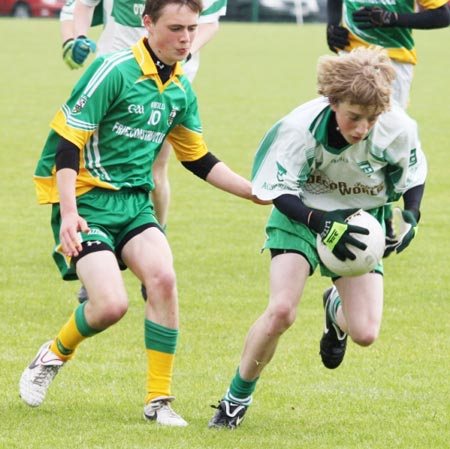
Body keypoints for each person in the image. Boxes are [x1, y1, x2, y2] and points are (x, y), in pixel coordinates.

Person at [19, 0, 264, 427]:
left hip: (134, 204)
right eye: (176, 29)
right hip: (88, 198)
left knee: (164, 279)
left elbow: (199, 159)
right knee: (110, 305)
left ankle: (159, 401)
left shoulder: (181, 88)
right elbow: (67, 143)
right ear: (147, 24)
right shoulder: (114, 69)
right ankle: (53, 354)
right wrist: (70, 214)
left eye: (191, 29)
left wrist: (254, 193)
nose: (186, 39)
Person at [207, 46, 427, 429]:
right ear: (332, 101)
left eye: (371, 119)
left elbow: (414, 174)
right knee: (281, 312)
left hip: (360, 220)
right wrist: (320, 221)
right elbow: (277, 190)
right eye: (353, 117)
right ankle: (234, 400)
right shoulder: (299, 128)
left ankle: (334, 313)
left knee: (365, 334)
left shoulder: (398, 127)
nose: (362, 128)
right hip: (300, 215)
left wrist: (411, 215)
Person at [59, 0, 228, 302]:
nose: (185, 32)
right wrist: (76, 39)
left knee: (154, 169)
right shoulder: (113, 68)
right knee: (95, 164)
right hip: (116, 70)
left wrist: (187, 49)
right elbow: (82, 5)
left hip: (170, 79)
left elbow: (209, 21)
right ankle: (96, 257)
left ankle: (153, 243)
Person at [325, 0, 448, 237]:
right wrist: (332, 26)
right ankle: (327, 209)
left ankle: (385, 215)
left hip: (393, 63)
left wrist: (391, 19)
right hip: (349, 57)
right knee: (339, 134)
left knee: (384, 139)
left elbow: (443, 15)